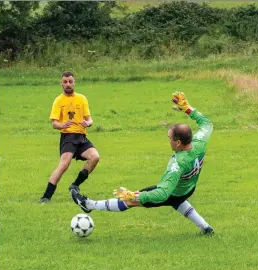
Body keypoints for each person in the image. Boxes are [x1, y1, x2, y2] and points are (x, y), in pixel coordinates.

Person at [71, 91, 213, 234]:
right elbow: (207, 124)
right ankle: (206, 228)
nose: (168, 140)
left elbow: (162, 194)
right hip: (188, 188)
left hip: (173, 192)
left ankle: (89, 204)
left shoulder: (178, 164)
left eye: (169, 138)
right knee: (178, 201)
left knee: (130, 201)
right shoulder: (199, 142)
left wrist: (136, 196)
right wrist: (187, 107)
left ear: (178, 142)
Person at [39, 71, 100, 203]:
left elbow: (90, 120)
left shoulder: (82, 98)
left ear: (74, 83)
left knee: (95, 157)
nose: (68, 84)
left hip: (82, 137)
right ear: (61, 83)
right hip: (68, 137)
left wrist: (87, 123)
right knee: (64, 165)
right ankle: (46, 197)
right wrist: (62, 125)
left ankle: (75, 185)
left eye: (70, 81)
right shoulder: (59, 100)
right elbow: (54, 123)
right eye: (65, 82)